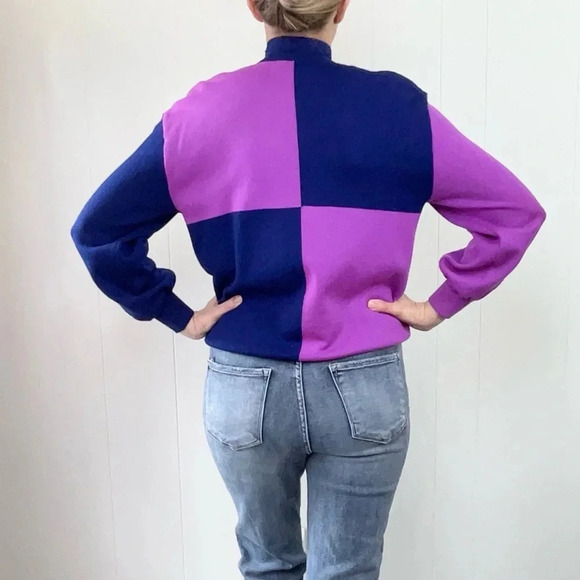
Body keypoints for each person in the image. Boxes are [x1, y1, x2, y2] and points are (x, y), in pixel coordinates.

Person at [70, 0, 546, 578]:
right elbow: (513, 214)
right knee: (348, 572)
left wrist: (175, 313)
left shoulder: (199, 113)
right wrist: (439, 304)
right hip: (363, 382)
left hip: (246, 387)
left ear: (255, 7)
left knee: (267, 567)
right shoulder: (398, 108)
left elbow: (98, 231)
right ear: (340, 7)